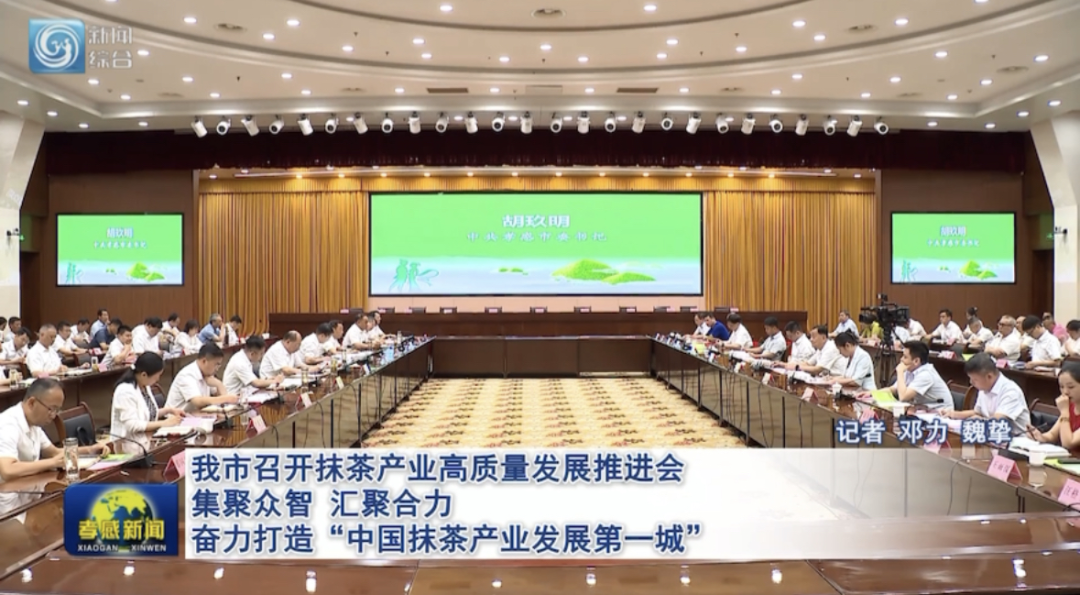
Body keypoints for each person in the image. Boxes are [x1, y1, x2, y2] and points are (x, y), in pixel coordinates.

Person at [0, 378, 109, 482]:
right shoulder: (8, 424)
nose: (53, 416)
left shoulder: (34, 423)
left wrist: (90, 450)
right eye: (51, 409)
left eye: (57, 410)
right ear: (31, 403)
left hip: (26, 487)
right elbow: (8, 469)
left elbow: (54, 453)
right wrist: (52, 463)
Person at [945, 353, 1031, 436]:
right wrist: (954, 414)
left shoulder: (1011, 391)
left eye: (974, 379)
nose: (971, 382)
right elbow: (978, 412)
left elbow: (997, 421)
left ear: (989, 376)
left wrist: (980, 421)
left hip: (1015, 439)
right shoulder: (984, 387)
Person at [109, 353, 186, 440]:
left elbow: (146, 413)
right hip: (127, 442)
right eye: (157, 376)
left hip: (146, 437)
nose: (158, 379)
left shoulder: (144, 385)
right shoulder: (125, 391)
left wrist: (169, 410)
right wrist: (164, 423)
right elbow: (132, 425)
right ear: (144, 375)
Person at [164, 343, 239, 413]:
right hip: (173, 418)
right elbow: (198, 401)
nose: (217, 368)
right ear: (204, 361)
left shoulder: (207, 373)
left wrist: (219, 384)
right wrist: (225, 398)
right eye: (216, 364)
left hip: (193, 416)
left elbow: (222, 398)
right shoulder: (187, 375)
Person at [883, 341, 953, 411]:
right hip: (922, 409)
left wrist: (900, 372)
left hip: (941, 412)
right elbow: (894, 389)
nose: (901, 359)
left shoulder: (926, 375)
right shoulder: (910, 369)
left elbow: (903, 397)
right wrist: (877, 394)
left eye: (905, 357)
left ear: (916, 361)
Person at [1030, 363, 1080, 449]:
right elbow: (1052, 435)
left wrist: (1064, 412)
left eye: (1071, 387)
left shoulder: (1065, 410)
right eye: (1062, 387)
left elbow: (1068, 443)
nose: (1065, 392)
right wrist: (1040, 436)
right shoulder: (1070, 406)